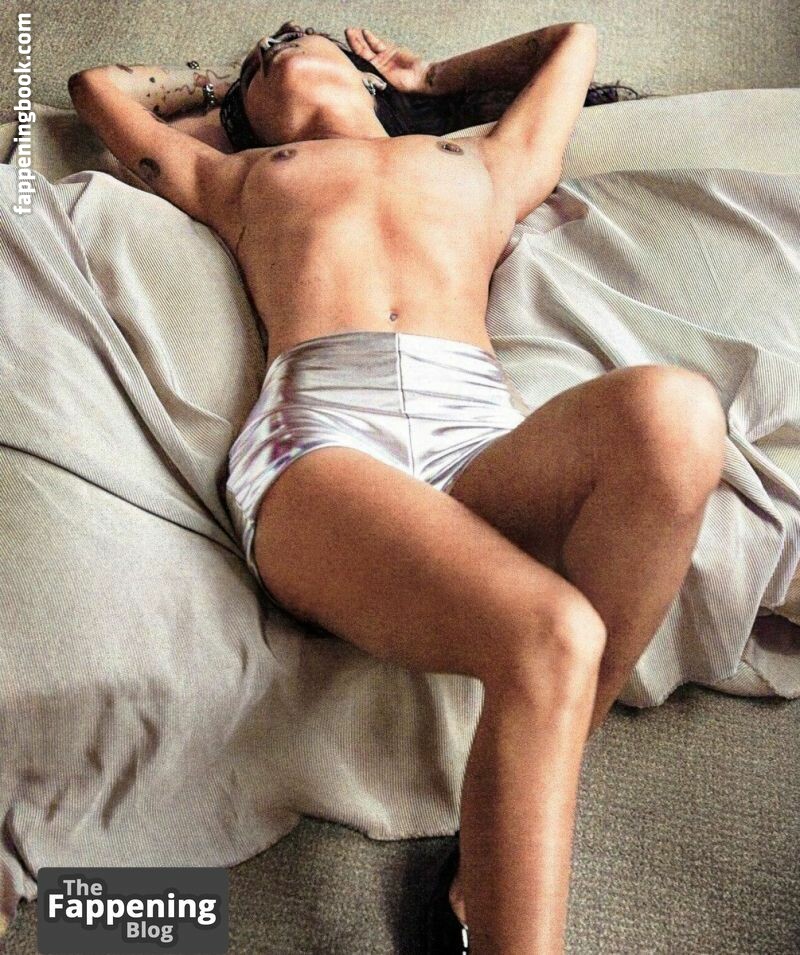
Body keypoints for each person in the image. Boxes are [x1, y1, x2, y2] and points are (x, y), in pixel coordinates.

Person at [68, 22, 727, 954]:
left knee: (680, 414)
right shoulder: (241, 177)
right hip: (323, 445)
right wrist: (218, 85)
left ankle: (517, 801)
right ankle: (494, 880)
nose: (279, 48)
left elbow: (575, 41)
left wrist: (434, 74)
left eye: (299, 38)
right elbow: (94, 89)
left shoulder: (481, 163)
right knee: (555, 632)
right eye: (261, 60)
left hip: (478, 442)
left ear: (366, 77)